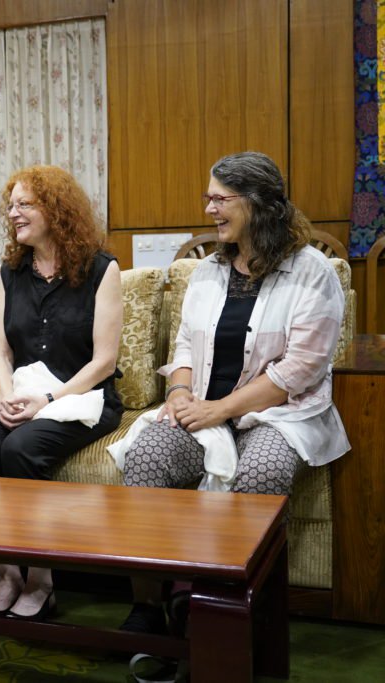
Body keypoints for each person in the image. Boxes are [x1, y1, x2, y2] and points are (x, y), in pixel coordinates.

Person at [117, 151, 350, 635]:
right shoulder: (207, 273)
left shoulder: (313, 272)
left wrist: (218, 409)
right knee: (145, 457)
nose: (209, 209)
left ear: (260, 204)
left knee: (261, 470)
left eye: (220, 199)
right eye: (209, 198)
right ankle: (148, 604)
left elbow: (301, 368)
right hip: (204, 409)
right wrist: (180, 393)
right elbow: (184, 346)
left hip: (281, 415)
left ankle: (226, 611)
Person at [0, 165, 124, 620]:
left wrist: (48, 403)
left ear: (56, 208)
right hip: (23, 391)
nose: (13, 213)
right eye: (10, 205)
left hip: (82, 396)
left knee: (20, 449)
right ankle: (7, 575)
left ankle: (41, 579)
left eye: (24, 204)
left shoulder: (100, 268)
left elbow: (104, 362)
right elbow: (0, 351)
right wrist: (7, 396)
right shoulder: (10, 272)